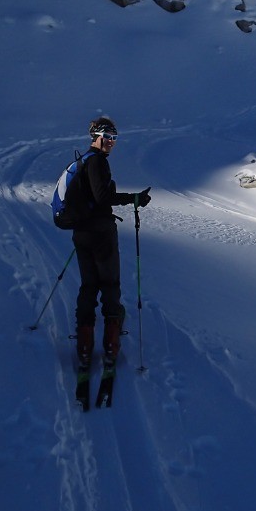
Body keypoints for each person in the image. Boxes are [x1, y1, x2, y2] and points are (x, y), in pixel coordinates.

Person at [72, 116, 151, 370]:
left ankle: (84, 346)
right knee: (109, 283)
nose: (111, 142)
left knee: (88, 285)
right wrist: (133, 199)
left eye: (115, 138)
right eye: (107, 137)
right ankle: (110, 344)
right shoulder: (96, 163)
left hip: (82, 232)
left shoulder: (83, 162)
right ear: (95, 136)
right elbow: (102, 196)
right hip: (100, 233)